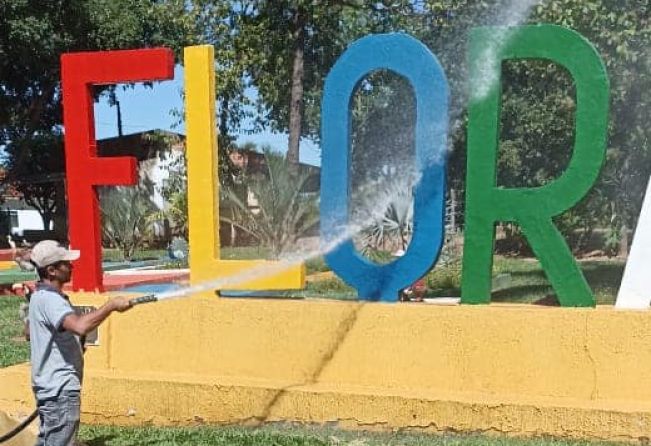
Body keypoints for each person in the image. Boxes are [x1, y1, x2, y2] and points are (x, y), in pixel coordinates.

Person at [28, 240, 132, 446]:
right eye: (65, 263)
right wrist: (110, 306)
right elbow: (80, 326)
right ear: (52, 271)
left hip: (49, 387)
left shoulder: (40, 297)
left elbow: (29, 333)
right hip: (60, 389)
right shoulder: (51, 300)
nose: (71, 266)